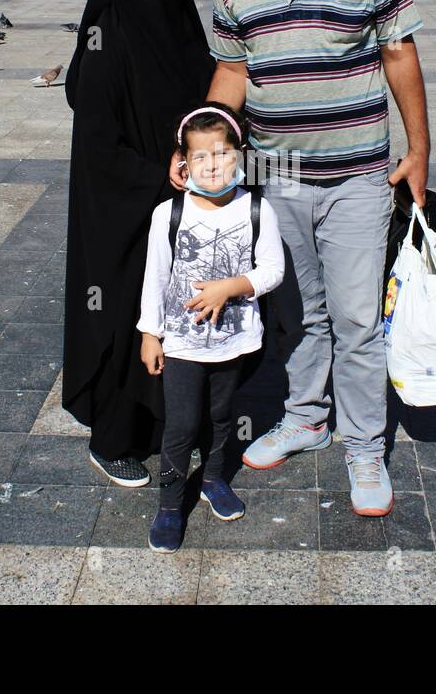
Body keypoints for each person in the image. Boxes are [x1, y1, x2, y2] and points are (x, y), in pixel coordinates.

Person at [179, 0, 429, 517]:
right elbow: (232, 74)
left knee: (353, 318)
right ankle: (306, 418)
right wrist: (200, 143)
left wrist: (419, 150)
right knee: (299, 316)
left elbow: (399, 55)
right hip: (275, 178)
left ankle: (365, 447)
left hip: (356, 178)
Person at [64, 0, 216, 488]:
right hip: (123, 213)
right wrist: (157, 174)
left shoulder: (184, 35)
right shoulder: (105, 46)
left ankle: (171, 426)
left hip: (189, 205)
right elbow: (99, 149)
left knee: (184, 316)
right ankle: (114, 438)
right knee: (130, 318)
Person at [139, 103, 285, 552]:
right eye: (200, 156)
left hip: (233, 340)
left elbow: (273, 270)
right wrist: (150, 333)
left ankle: (215, 478)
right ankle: (168, 505)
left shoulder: (257, 210)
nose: (212, 165)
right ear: (183, 162)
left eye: (222, 154)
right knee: (181, 426)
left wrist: (233, 286)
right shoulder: (169, 214)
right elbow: (155, 276)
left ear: (241, 155)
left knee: (222, 417)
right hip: (182, 342)